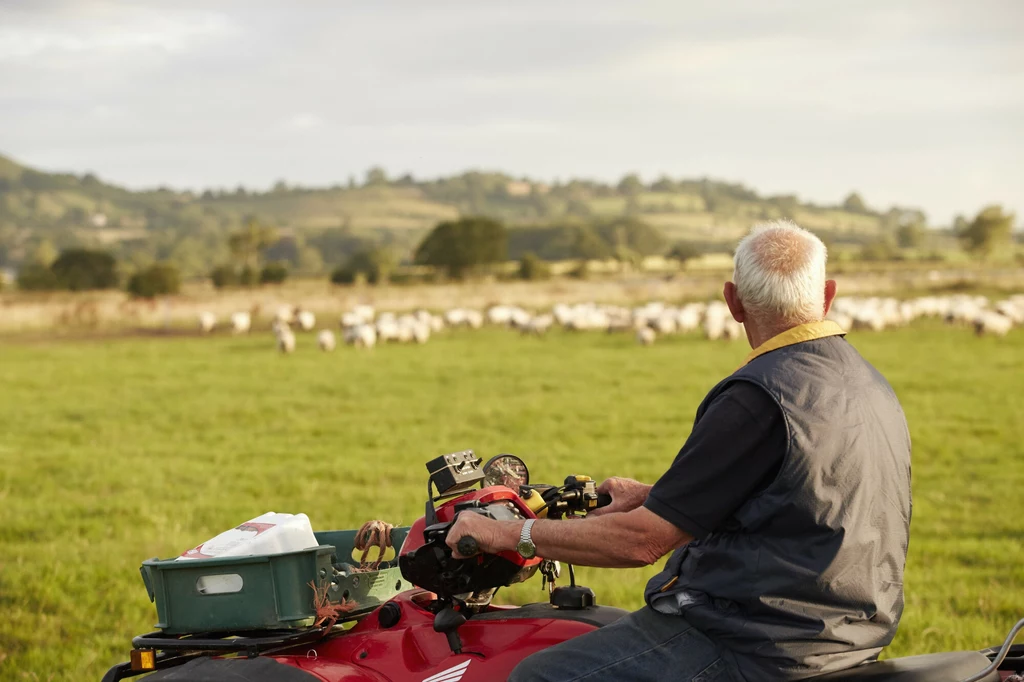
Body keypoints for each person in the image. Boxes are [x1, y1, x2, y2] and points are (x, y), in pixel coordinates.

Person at [446, 220, 912, 682]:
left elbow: (641, 542)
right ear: (827, 295)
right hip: (845, 635)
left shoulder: (758, 398)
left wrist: (509, 535)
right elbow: (802, 499)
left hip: (756, 643)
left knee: (538, 676)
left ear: (733, 302)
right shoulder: (868, 384)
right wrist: (654, 495)